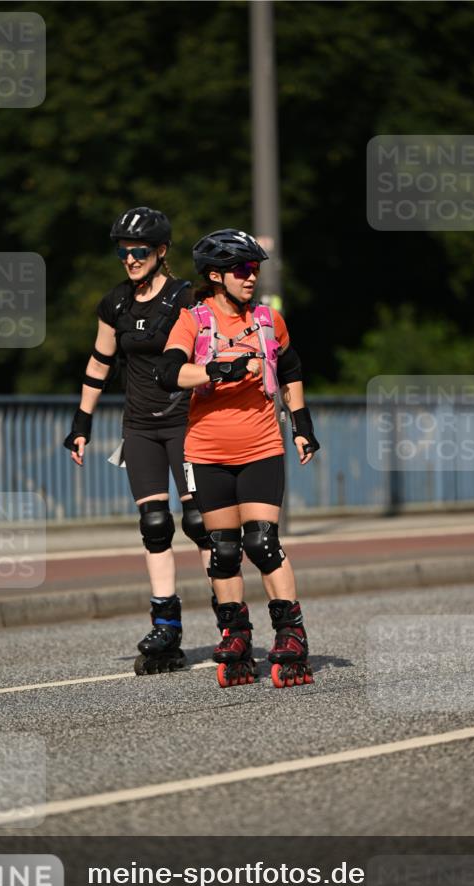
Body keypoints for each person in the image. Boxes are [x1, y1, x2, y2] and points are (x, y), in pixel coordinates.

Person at [153, 228, 320, 688]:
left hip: (261, 447)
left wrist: (302, 426)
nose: (252, 277)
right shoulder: (194, 321)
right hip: (206, 452)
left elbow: (290, 370)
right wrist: (217, 368)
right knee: (223, 550)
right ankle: (236, 634)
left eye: (255, 269)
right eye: (243, 270)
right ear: (215, 275)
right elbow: (168, 372)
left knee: (261, 543)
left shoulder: (268, 320)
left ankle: (290, 634)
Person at [64, 206, 213, 675]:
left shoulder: (187, 298)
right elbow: (98, 363)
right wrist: (81, 423)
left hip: (186, 422)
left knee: (198, 523)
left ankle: (232, 621)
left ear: (161, 251)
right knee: (154, 524)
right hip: (140, 427)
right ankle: (166, 626)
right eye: (124, 252)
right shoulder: (115, 305)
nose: (130, 259)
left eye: (140, 252)